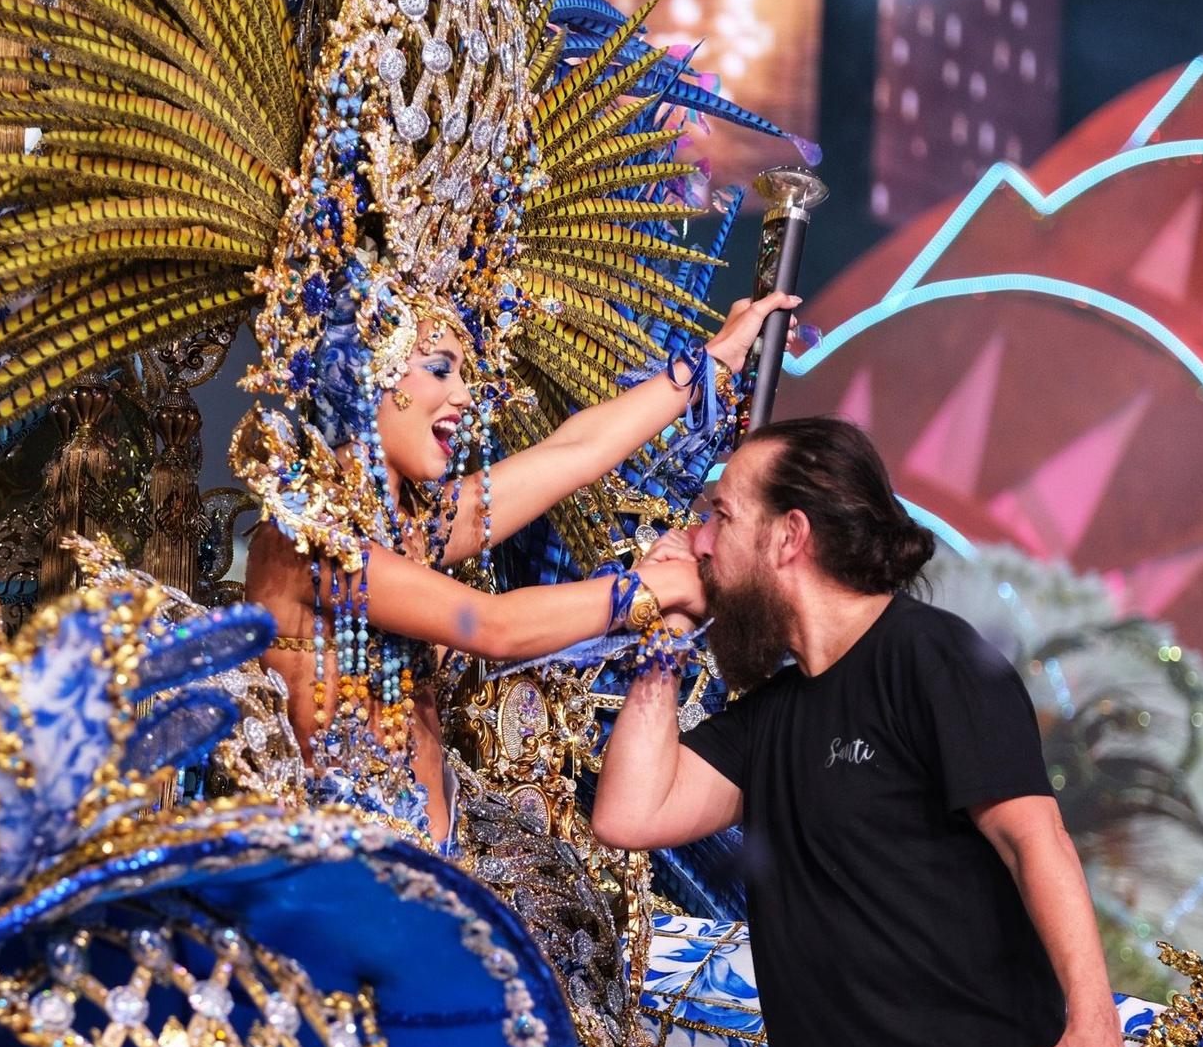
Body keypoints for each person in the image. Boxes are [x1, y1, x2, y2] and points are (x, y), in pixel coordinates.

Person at [591, 415, 1155, 1047]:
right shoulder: (772, 714)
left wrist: (1095, 1033)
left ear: (790, 536)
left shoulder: (931, 655)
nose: (698, 540)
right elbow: (629, 814)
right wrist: (666, 636)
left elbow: (1036, 841)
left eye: (721, 515)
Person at [245, 292, 798, 845]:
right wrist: (652, 588)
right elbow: (490, 627)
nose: (463, 395)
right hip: (339, 880)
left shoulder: (417, 523)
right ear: (370, 374)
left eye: (462, 373)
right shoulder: (309, 536)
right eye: (439, 370)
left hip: (430, 858)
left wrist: (713, 362)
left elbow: (576, 451)